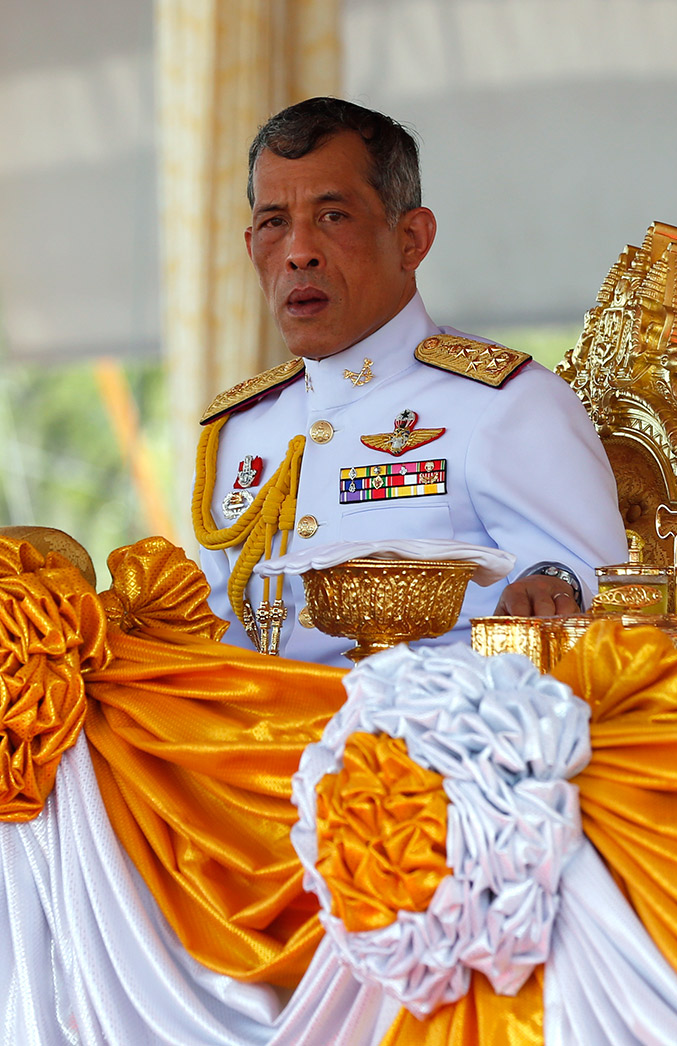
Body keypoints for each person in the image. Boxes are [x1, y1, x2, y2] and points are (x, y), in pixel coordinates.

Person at [193, 97, 628, 666]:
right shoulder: (239, 432)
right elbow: (212, 642)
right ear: (253, 250)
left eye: (333, 216)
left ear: (412, 239)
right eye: (275, 223)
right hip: (262, 743)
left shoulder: (508, 404)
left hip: (439, 740)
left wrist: (553, 583)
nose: (298, 253)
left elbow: (591, 591)